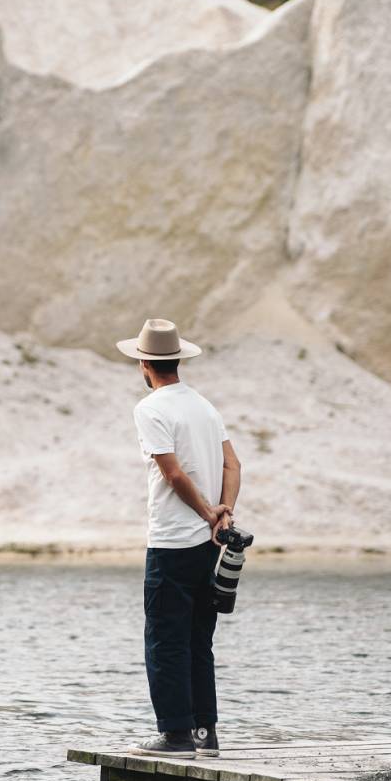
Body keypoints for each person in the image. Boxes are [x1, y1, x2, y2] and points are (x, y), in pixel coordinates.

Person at [115, 318, 242, 758]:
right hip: (208, 545)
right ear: (178, 360)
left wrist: (208, 511)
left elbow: (172, 474)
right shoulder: (204, 406)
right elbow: (233, 465)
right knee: (197, 640)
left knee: (164, 640)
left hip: (171, 542)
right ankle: (206, 733)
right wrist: (222, 513)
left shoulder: (149, 408)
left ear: (144, 364)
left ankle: (174, 735)